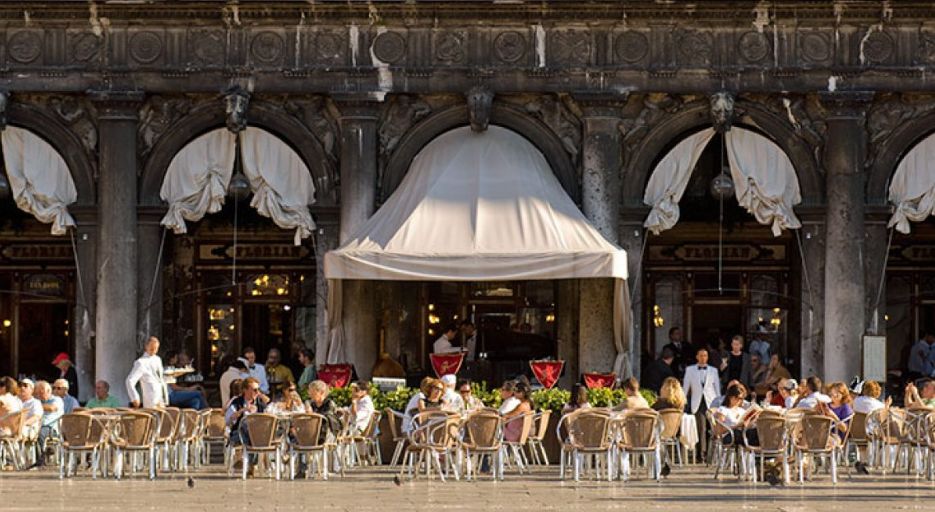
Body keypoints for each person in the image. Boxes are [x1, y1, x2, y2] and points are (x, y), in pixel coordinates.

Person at [683, 347, 720, 461]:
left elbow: (717, 387)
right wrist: (683, 401)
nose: (703, 358)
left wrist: (719, 403)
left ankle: (711, 454)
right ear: (697, 357)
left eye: (705, 356)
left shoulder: (713, 370)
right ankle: (701, 454)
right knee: (701, 428)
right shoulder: (690, 370)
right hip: (697, 402)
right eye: (701, 355)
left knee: (713, 428)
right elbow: (685, 387)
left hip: (711, 402)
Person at [126, 336, 169, 408]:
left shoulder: (158, 359)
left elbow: (160, 378)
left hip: (161, 397)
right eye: (152, 348)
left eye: (156, 348)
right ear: (146, 346)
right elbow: (129, 380)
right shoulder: (141, 362)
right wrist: (134, 397)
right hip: (151, 398)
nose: (154, 351)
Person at [225, 377, 266, 448]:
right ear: (245, 390)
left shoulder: (260, 403)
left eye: (258, 390)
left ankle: (248, 454)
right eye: (255, 390)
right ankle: (247, 453)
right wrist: (243, 410)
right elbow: (228, 421)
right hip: (239, 434)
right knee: (245, 424)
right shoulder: (237, 403)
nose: (257, 392)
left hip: (257, 435)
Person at [34, 380, 63, 466]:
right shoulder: (38, 401)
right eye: (37, 393)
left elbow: (52, 408)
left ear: (49, 391)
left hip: (51, 427)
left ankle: (40, 459)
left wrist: (36, 406)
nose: (38, 395)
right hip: (37, 425)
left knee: (40, 433)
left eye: (41, 393)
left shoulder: (57, 399)